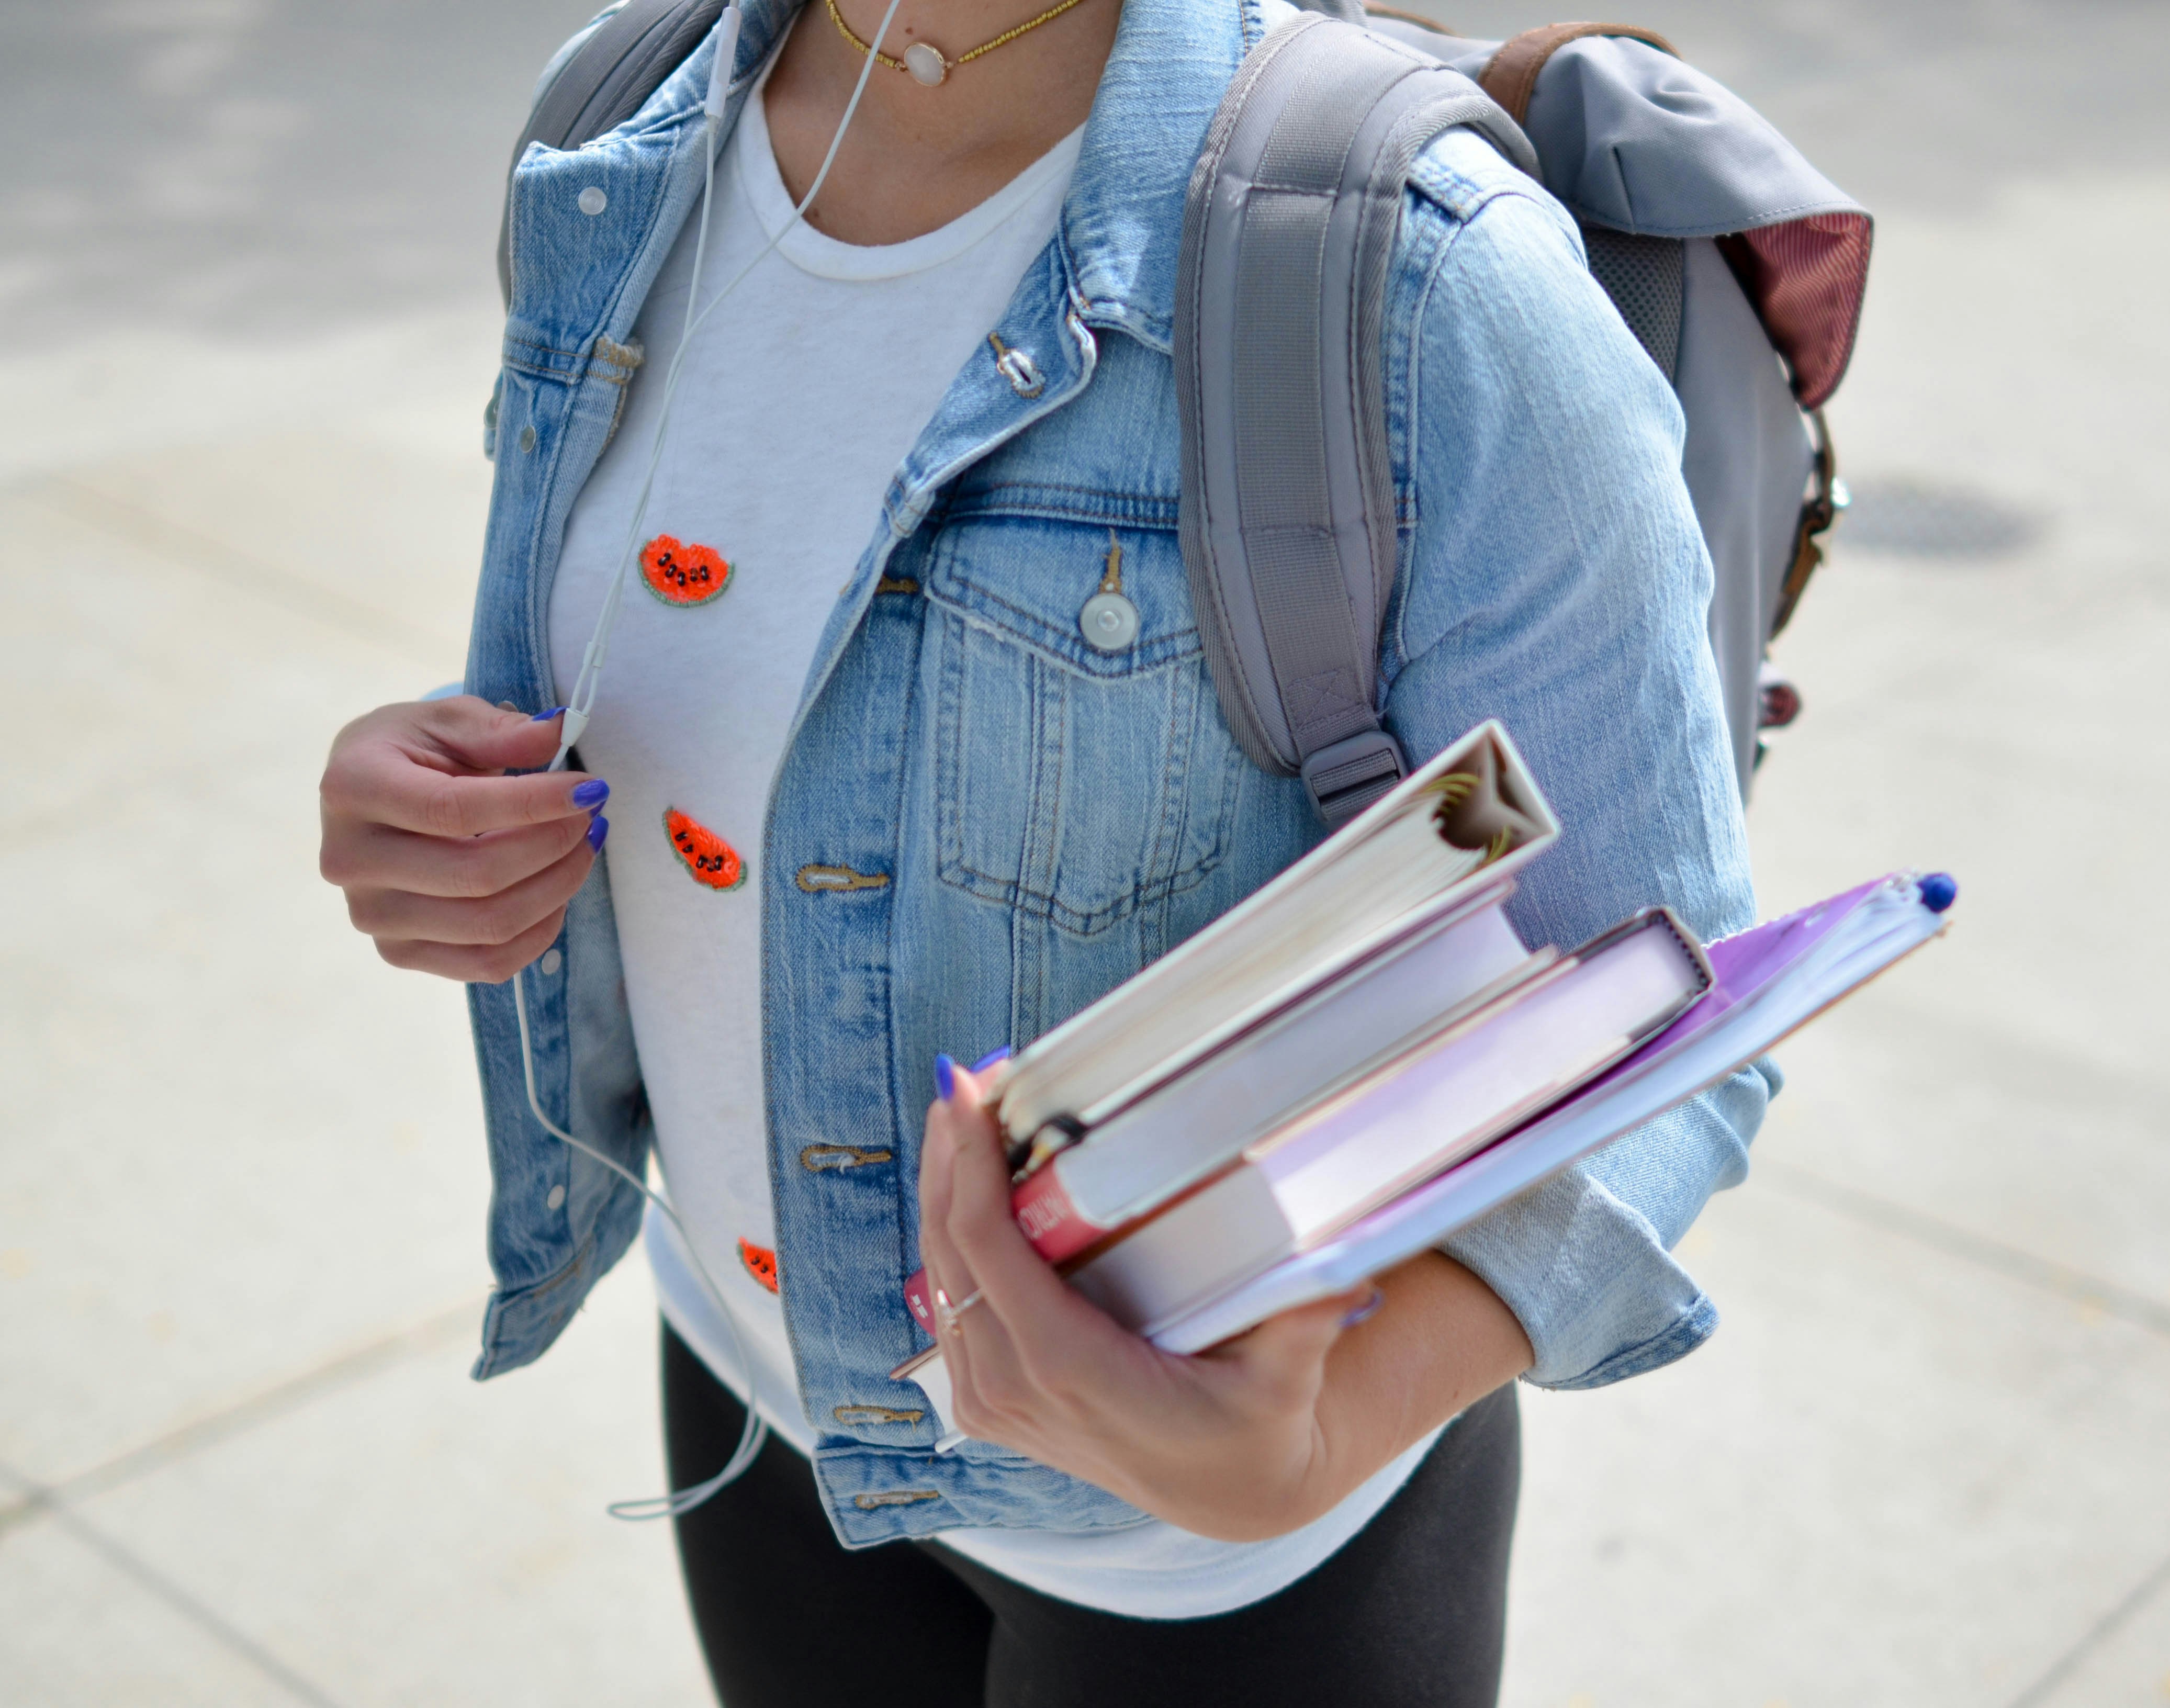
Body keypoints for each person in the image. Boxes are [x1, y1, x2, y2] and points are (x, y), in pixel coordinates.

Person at [316, 0, 1772, 1701]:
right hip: (752, 1385)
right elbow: (716, 650)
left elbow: (1660, 1007)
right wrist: (441, 791)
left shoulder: (1422, 276)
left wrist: (1314, 1441)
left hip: (1224, 1565)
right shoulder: (619, 122)